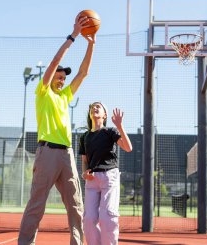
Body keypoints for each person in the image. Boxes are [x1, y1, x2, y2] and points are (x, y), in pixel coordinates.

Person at [18, 14, 95, 245]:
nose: (61, 80)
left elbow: (83, 73)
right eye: (58, 77)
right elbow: (53, 63)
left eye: (63, 78)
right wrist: (73, 36)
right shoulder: (43, 93)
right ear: (51, 78)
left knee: (76, 205)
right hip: (47, 152)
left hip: (67, 154)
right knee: (37, 204)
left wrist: (91, 45)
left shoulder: (65, 96)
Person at [79, 102, 132, 245]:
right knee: (89, 219)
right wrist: (84, 173)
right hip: (92, 180)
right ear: (90, 114)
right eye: (92, 107)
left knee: (107, 218)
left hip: (109, 177)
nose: (94, 108)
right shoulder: (84, 137)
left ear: (105, 115)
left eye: (98, 107)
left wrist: (120, 125)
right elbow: (84, 160)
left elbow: (128, 147)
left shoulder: (110, 132)